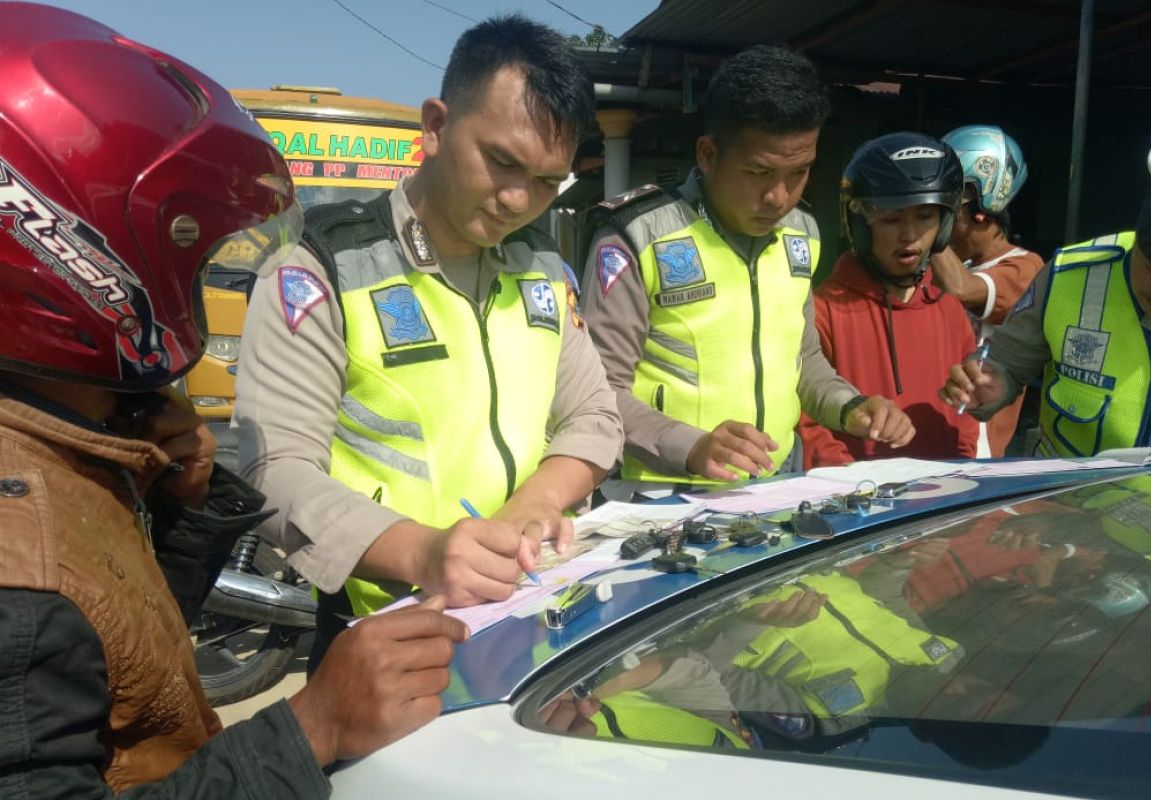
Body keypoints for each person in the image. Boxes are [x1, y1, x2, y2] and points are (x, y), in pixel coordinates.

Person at [0, 6, 467, 799]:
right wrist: (312, 726)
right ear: (75, 256)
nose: (201, 282)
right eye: (190, 252)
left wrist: (176, 506)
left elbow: (123, 678)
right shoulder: (21, 586)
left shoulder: (68, 438)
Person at [233, 15, 622, 665]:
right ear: (436, 126)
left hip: (528, 614)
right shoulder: (323, 268)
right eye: (501, 162)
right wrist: (426, 552)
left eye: (549, 181)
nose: (518, 200)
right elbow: (274, 475)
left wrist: (538, 499)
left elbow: (595, 416)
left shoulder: (543, 270)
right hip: (387, 631)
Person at [580, 45, 913, 494]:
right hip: (661, 499)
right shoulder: (638, 236)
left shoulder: (802, 234)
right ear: (708, 153)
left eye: (800, 172)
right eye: (758, 173)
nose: (779, 197)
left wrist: (850, 406)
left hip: (777, 489)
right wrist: (691, 446)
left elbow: (804, 359)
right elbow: (597, 391)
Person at [942, 129, 1151, 457]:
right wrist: (989, 382)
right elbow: (1006, 360)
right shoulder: (1072, 273)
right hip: (1065, 501)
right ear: (1138, 238)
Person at [798, 132, 979, 468]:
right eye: (892, 219)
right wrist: (848, 485)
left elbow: (964, 415)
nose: (909, 235)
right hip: (857, 507)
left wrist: (960, 471)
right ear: (860, 225)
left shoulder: (950, 312)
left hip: (942, 497)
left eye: (925, 217)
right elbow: (805, 418)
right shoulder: (823, 310)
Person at [930, 125, 1043, 456]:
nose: (940, 217)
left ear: (982, 205)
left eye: (947, 205)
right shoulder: (953, 263)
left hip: (974, 445)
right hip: (930, 430)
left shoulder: (1024, 267)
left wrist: (926, 232)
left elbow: (961, 290)